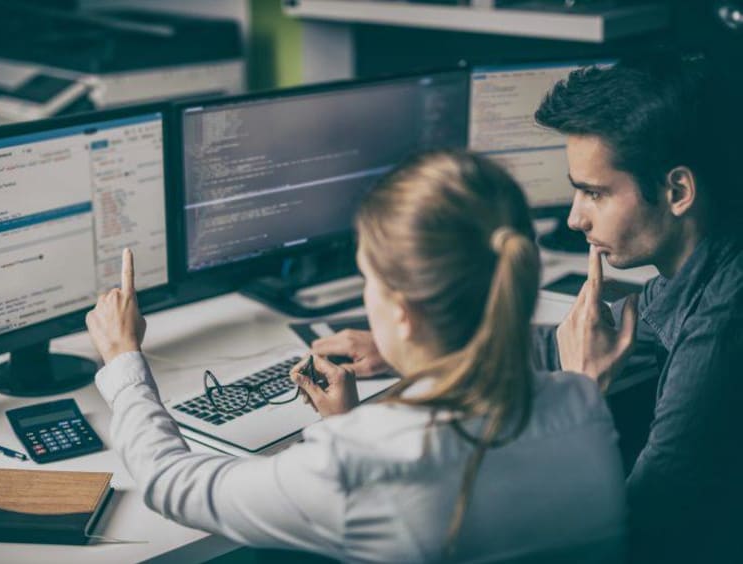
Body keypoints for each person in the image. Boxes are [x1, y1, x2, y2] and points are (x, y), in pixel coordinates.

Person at [86, 151, 626, 563]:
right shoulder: (583, 400)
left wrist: (123, 358)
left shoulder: (358, 462)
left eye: (368, 278)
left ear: (404, 313)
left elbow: (170, 484)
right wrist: (348, 424)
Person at [316, 54, 743, 562]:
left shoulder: (721, 325)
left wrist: (583, 390)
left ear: (677, 191)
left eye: (593, 193)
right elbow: (569, 340)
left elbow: (637, 530)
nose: (574, 218)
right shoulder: (700, 268)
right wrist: (413, 346)